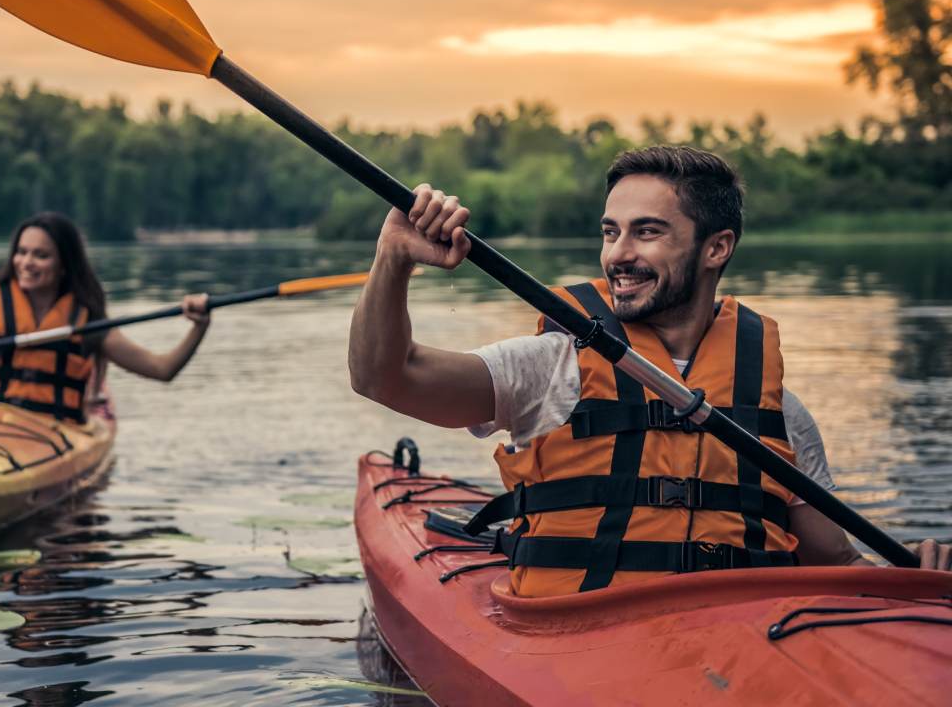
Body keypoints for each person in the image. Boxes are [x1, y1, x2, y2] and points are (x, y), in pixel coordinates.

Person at [348, 145, 950, 596]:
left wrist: (917, 583)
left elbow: (838, 566)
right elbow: (384, 376)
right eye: (611, 232)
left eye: (648, 232)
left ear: (717, 247)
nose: (618, 255)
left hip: (734, 645)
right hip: (573, 635)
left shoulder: (780, 415)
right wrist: (393, 259)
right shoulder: (551, 368)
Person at [0, 212, 210, 424]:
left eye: (40, 255)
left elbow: (162, 369)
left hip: (52, 434)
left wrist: (198, 327)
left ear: (64, 265)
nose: (26, 262)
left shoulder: (88, 325)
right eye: (22, 252)